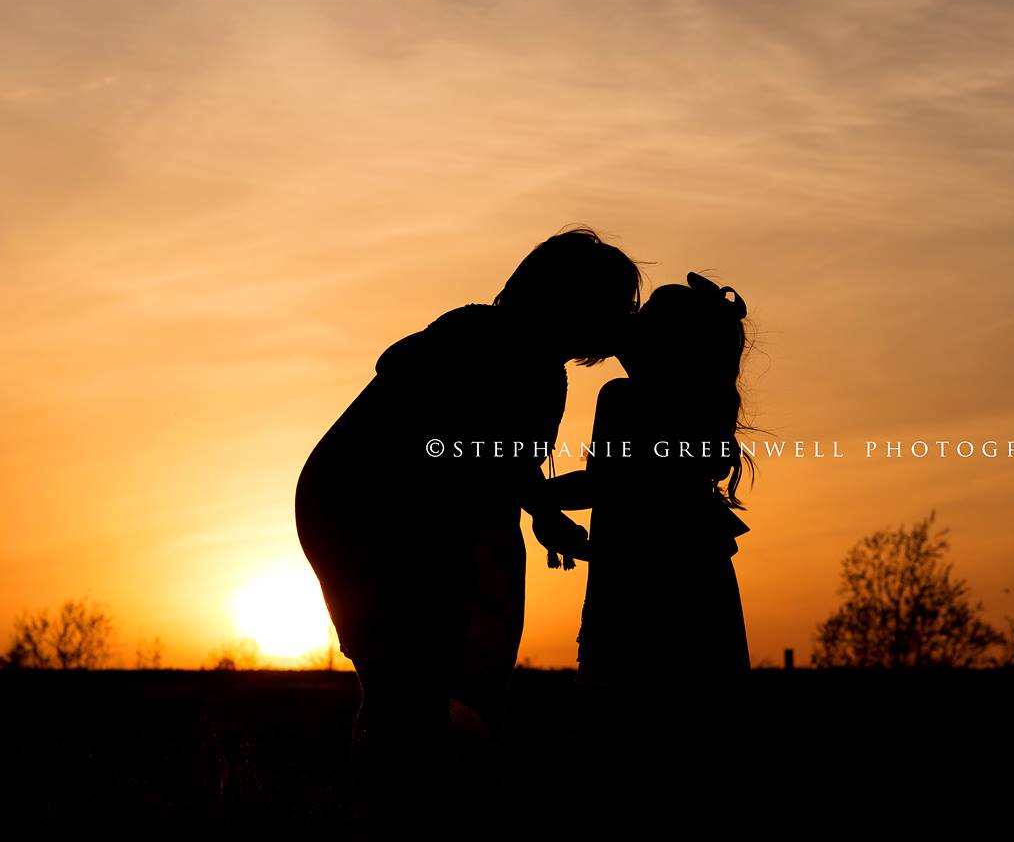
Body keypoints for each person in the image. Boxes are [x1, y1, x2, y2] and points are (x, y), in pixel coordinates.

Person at [292, 226, 643, 824]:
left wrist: (542, 510)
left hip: (404, 516)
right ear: (570, 301)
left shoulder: (534, 367)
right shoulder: (481, 336)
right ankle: (405, 811)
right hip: (372, 514)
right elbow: (433, 416)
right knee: (408, 671)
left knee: (413, 676)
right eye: (609, 306)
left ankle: (402, 805)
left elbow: (499, 457)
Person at [526, 271, 756, 818]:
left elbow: (607, 482)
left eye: (645, 316)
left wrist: (529, 494)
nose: (630, 321)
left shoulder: (627, 398)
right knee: (699, 746)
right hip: (701, 583)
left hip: (638, 589)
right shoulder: (694, 405)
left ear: (662, 342)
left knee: (626, 748)